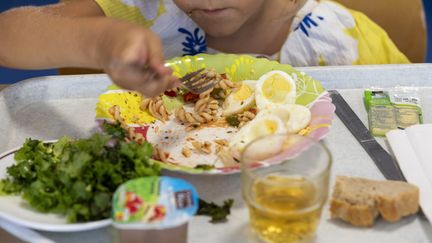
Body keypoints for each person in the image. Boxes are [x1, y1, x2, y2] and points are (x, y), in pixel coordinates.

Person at [0, 0, 409, 97]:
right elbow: (8, 35)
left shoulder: (343, 39)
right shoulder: (145, 10)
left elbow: (413, 114)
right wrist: (102, 41)